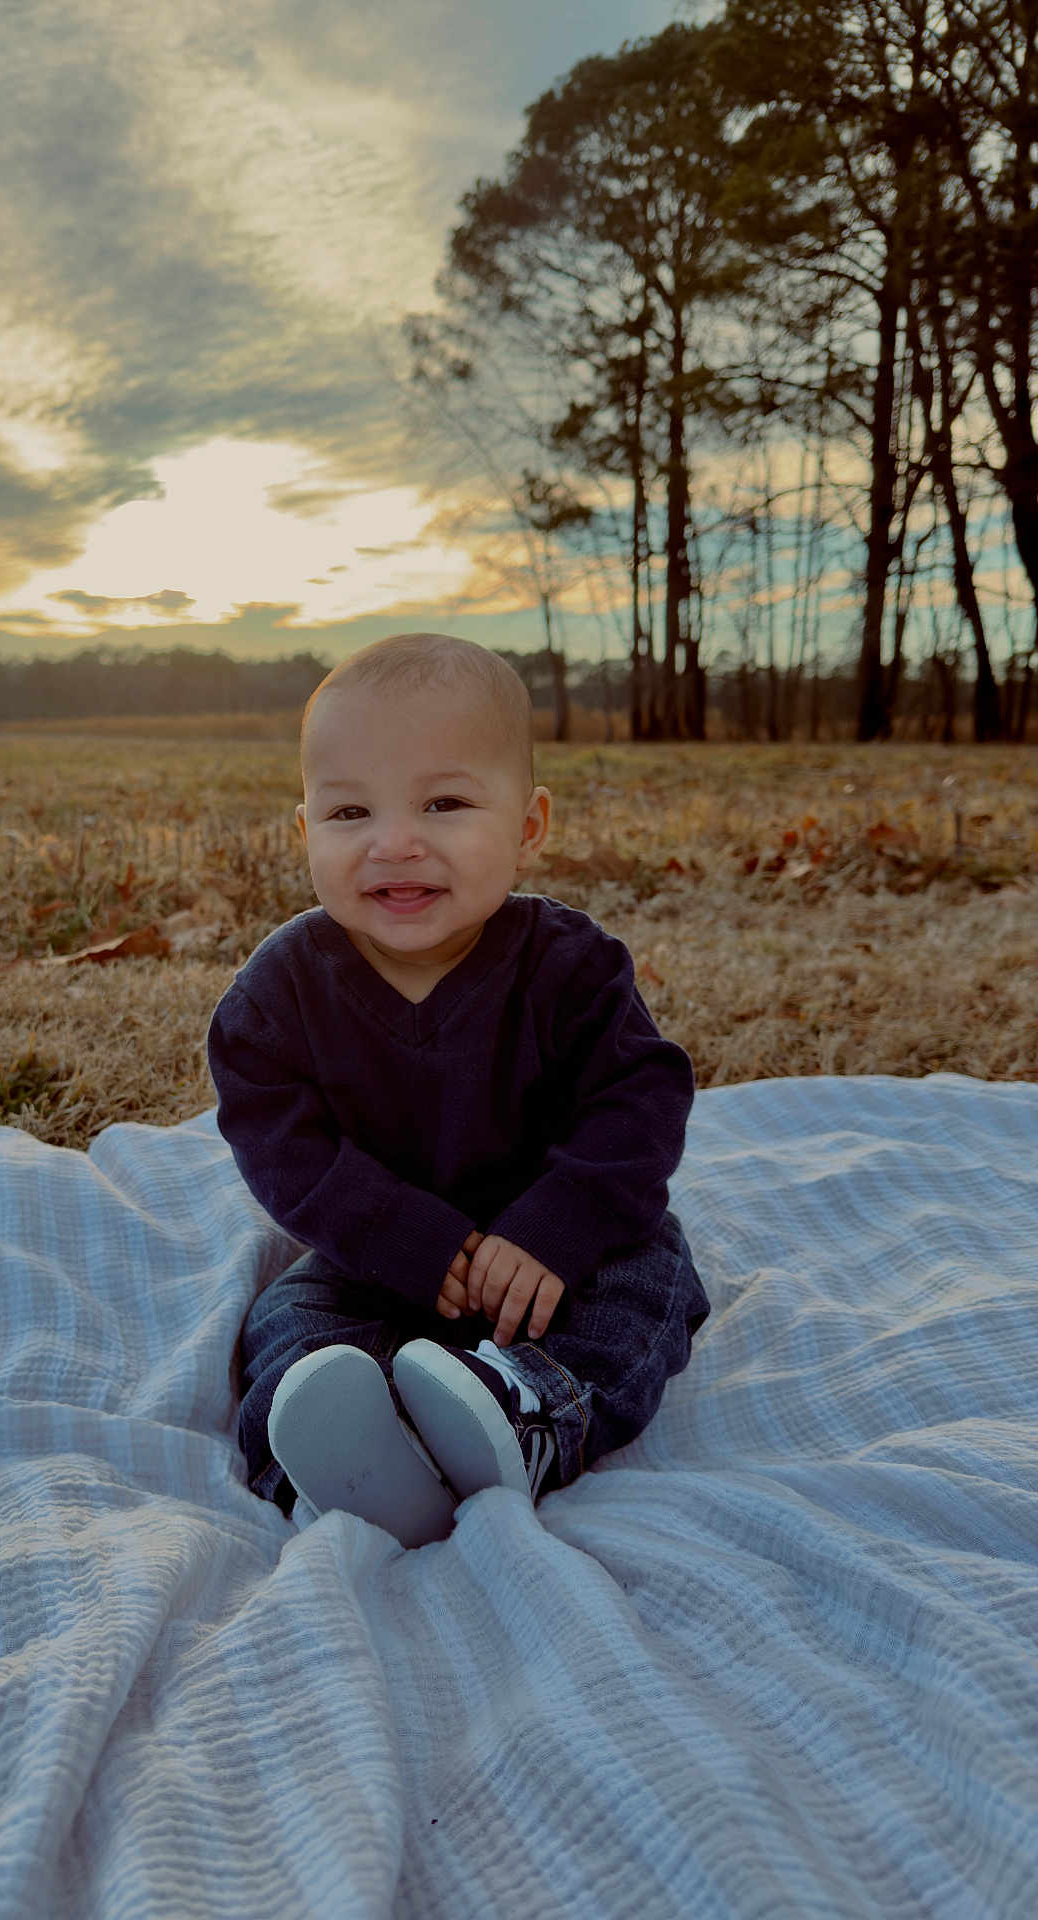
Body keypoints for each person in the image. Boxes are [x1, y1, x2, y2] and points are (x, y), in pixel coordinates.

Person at [207, 632, 709, 1547]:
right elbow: (283, 1144)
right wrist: (401, 1237)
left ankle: (525, 1416)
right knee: (288, 1317)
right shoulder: (279, 994)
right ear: (305, 830)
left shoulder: (573, 968)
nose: (395, 843)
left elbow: (638, 1099)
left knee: (650, 1279)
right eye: (350, 812)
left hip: (557, 1253)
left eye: (444, 803)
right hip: (376, 1258)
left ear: (527, 827)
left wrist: (557, 1228)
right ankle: (330, 1463)